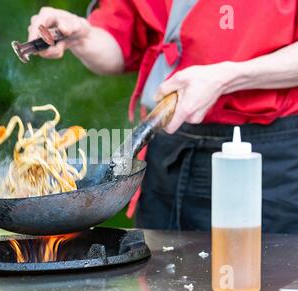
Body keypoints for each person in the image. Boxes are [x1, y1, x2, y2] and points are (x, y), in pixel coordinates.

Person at [27, 1, 298, 233]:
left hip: (267, 159)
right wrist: (83, 37)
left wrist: (229, 78)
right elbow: (121, 40)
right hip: (165, 152)